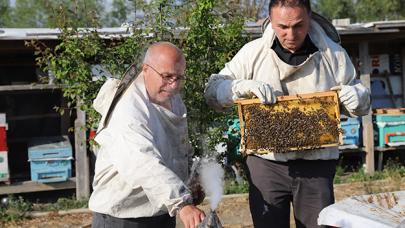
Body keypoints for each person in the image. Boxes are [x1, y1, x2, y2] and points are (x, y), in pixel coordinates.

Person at [204, 1, 370, 227]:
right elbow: (212, 91)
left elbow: (359, 98)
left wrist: (357, 95)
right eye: (282, 26)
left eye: (298, 26)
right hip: (267, 165)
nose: (290, 34)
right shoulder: (252, 53)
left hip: (317, 164)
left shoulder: (334, 54)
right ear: (270, 20)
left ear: (309, 18)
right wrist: (238, 87)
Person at [89, 42, 205, 228]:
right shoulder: (129, 110)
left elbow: (180, 144)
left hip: (161, 211)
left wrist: (191, 177)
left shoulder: (172, 98)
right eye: (167, 76)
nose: (173, 85)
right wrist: (181, 203)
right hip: (123, 218)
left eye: (179, 77)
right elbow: (144, 162)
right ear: (146, 70)